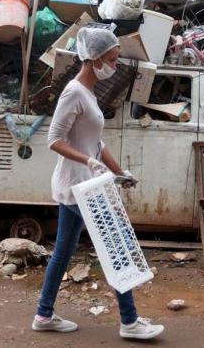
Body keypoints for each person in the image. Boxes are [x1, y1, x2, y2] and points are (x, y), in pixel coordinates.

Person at [32, 27, 164, 340]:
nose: (115, 66)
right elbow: (53, 139)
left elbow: (96, 141)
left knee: (63, 253)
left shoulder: (87, 94)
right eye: (113, 60)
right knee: (116, 248)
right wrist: (87, 161)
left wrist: (118, 171)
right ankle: (130, 322)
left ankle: (44, 314)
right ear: (94, 59)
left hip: (84, 186)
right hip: (80, 187)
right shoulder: (73, 92)